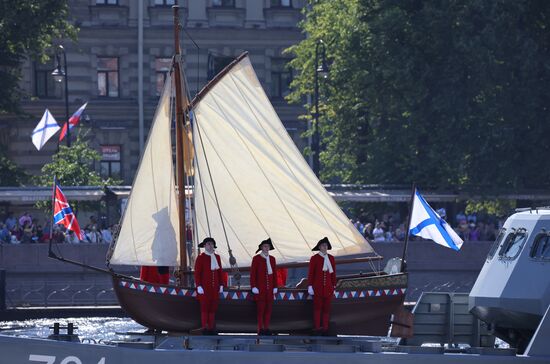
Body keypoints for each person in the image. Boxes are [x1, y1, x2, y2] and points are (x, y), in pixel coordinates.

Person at [194, 237, 224, 335]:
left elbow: (220, 272)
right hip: (204, 288)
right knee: (204, 309)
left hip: (215, 288)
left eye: (211, 244)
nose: (210, 246)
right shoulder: (201, 257)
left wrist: (221, 284)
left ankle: (211, 328)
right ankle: (205, 328)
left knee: (212, 309)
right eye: (208, 244)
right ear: (204, 246)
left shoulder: (217, 257)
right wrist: (198, 285)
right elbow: (197, 273)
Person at [307, 237, 336, 335]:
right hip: (317, 288)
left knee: (327, 309)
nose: (325, 247)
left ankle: (325, 328)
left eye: (326, 246)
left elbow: (333, 274)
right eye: (323, 245)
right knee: (317, 308)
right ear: (319, 247)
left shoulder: (331, 258)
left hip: (328, 288)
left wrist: (334, 286)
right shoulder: (314, 258)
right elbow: (311, 273)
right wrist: (310, 286)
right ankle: (317, 327)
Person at [250, 238, 278, 335]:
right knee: (260, 310)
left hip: (269, 290)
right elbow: (253, 274)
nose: (266, 248)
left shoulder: (272, 259)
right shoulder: (256, 259)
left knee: (268, 310)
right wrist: (253, 286)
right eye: (265, 246)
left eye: (268, 246)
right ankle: (260, 329)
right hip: (260, 290)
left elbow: (274, 274)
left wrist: (275, 286)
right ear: (261, 248)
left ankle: (266, 328)